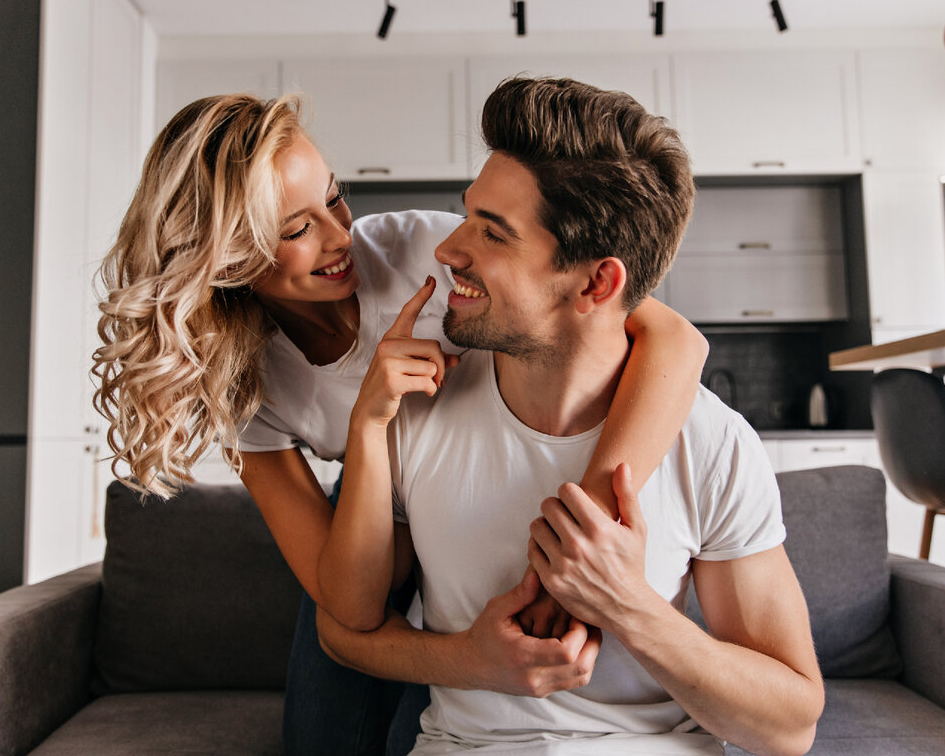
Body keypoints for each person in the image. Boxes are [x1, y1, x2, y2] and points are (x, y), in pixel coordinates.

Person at [92, 92, 710, 754]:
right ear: (225, 257)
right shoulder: (242, 378)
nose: (338, 239)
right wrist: (366, 427)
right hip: (376, 506)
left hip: (474, 488)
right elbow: (346, 610)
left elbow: (677, 341)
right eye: (296, 230)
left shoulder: (420, 251)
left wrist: (585, 528)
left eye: (333, 198)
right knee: (320, 738)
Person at [319, 77, 824, 755]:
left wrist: (629, 605)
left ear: (595, 284)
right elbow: (347, 624)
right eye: (465, 213)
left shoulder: (712, 441)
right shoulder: (413, 414)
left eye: (492, 233)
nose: (447, 249)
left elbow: (790, 728)